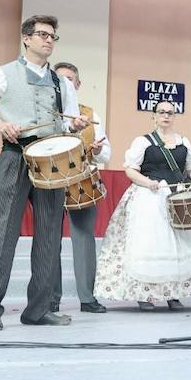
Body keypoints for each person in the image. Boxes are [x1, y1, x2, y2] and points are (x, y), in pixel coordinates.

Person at [0, 14, 89, 331]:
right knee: (2, 233)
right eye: (42, 34)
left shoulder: (62, 83)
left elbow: (68, 119)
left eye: (52, 36)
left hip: (52, 160)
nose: (48, 40)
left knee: (48, 237)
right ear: (26, 38)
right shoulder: (1, 74)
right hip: (15, 156)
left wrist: (76, 124)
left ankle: (38, 310)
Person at [94, 101, 191, 308]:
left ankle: (174, 294)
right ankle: (145, 295)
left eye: (170, 113)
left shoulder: (183, 141)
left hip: (177, 197)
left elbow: (190, 171)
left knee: (179, 248)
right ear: (153, 116)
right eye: (161, 112)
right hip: (149, 196)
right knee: (151, 245)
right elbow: (130, 169)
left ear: (174, 117)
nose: (166, 116)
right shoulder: (143, 141)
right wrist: (148, 183)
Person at [50, 61, 111, 314]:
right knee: (49, 240)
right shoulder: (46, 112)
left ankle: (87, 297)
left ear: (78, 84)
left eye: (70, 79)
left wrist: (98, 151)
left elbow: (106, 153)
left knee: (84, 238)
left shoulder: (90, 113)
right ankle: (50, 298)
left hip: (82, 180)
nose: (66, 83)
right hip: (49, 179)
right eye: (60, 79)